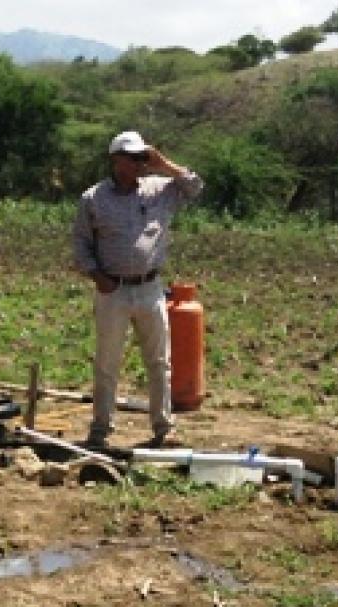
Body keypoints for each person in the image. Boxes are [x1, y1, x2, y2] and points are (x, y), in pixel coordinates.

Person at [71, 130, 204, 448]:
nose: (139, 163)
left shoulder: (160, 190)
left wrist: (165, 164)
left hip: (150, 288)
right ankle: (101, 429)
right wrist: (95, 274)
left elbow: (196, 187)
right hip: (112, 291)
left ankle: (163, 427)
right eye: (133, 158)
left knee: (160, 362)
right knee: (107, 362)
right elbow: (81, 244)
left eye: (142, 156)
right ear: (116, 161)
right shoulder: (94, 199)